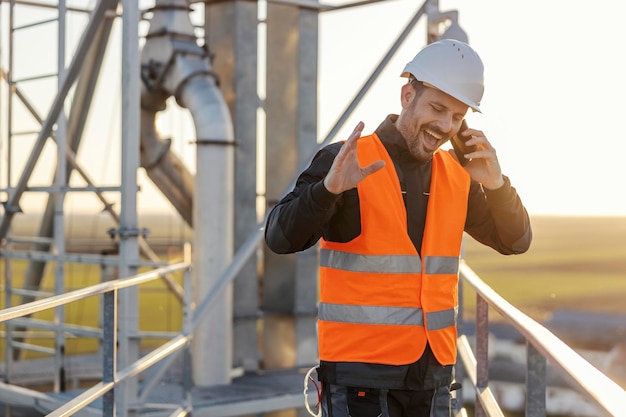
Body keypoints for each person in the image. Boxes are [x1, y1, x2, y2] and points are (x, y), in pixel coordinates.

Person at [264, 39, 532, 417]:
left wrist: (497, 186)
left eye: (456, 117)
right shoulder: (346, 159)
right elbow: (278, 237)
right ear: (408, 95)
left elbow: (516, 240)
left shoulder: (456, 176)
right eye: (437, 108)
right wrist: (327, 191)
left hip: (435, 380)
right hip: (361, 384)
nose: (444, 125)